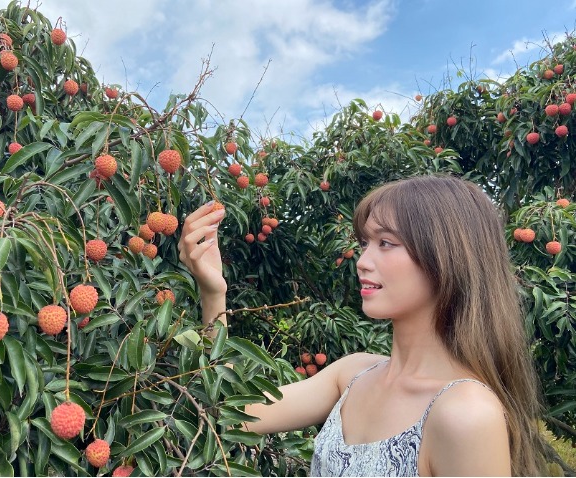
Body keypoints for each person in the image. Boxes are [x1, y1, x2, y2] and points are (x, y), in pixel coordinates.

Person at [178, 174, 545, 477]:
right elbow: (229, 412)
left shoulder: (466, 413)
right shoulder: (353, 374)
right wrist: (214, 293)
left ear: (447, 256)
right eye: (365, 243)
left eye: (386, 243)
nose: (363, 261)